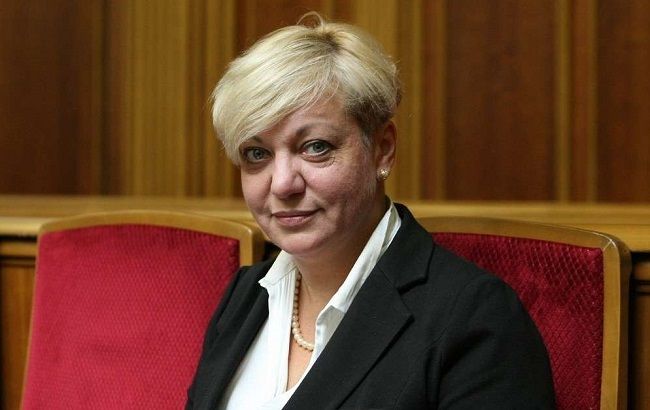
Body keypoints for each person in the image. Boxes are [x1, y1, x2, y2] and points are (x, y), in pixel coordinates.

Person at [186, 13, 555, 410]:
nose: (282, 184)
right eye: (257, 154)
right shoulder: (245, 295)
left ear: (382, 149)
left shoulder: (473, 317)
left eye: (315, 147)